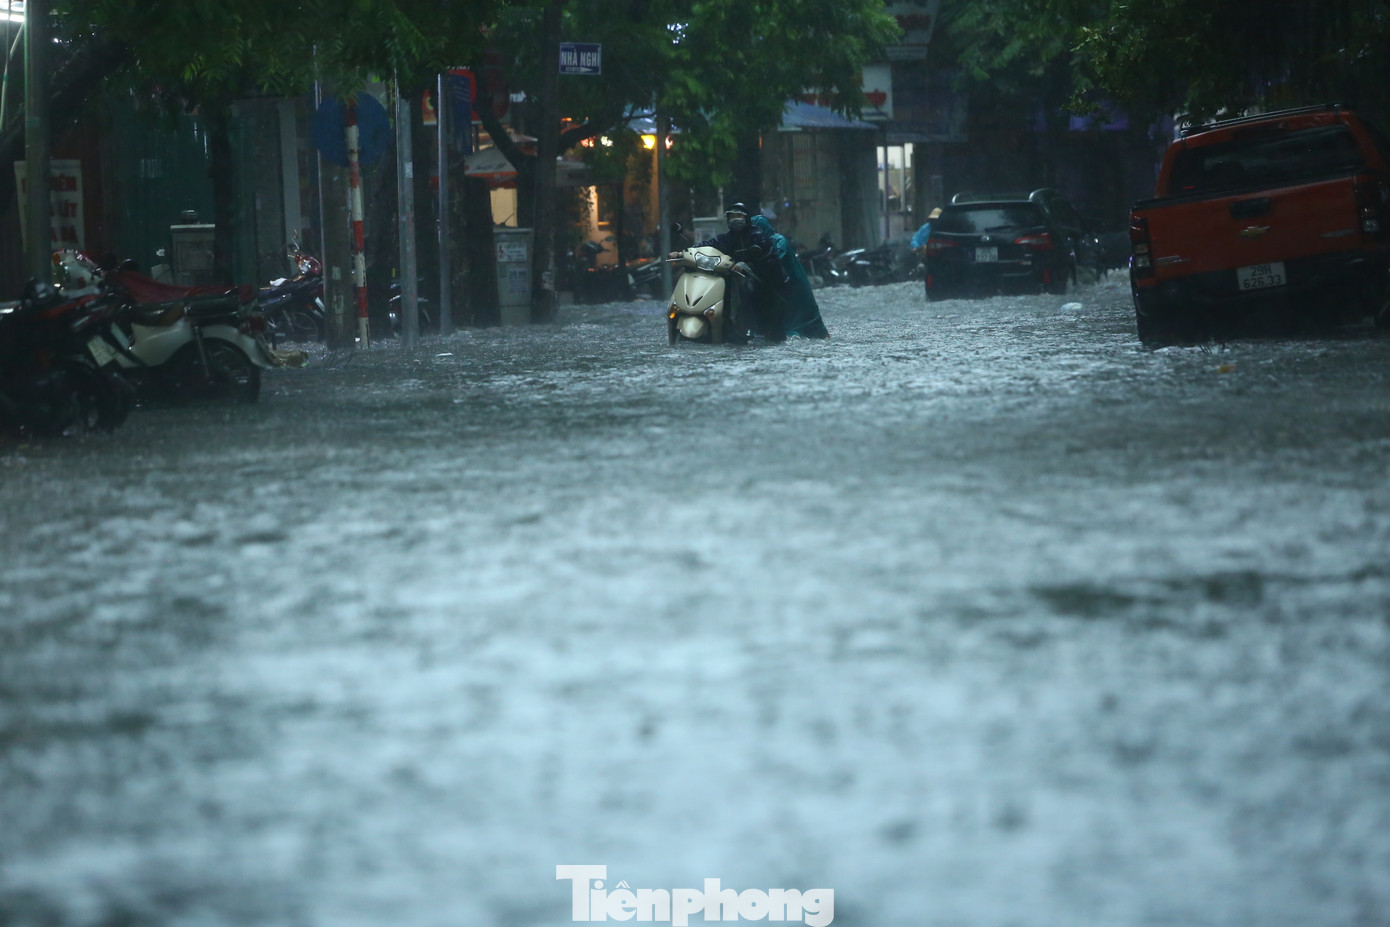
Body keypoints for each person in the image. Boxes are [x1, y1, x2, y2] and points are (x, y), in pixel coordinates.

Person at [672, 202, 786, 340]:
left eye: (739, 216)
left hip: (759, 280)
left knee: (742, 290)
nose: (735, 219)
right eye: (732, 216)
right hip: (731, 273)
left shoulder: (757, 236)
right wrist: (682, 253)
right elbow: (707, 244)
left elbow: (767, 261)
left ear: (746, 218)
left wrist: (745, 266)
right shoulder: (727, 238)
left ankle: (740, 328)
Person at [749, 213, 829, 339]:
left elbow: (776, 260)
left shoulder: (779, 241)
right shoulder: (754, 243)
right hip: (777, 288)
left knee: (802, 318)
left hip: (793, 286)